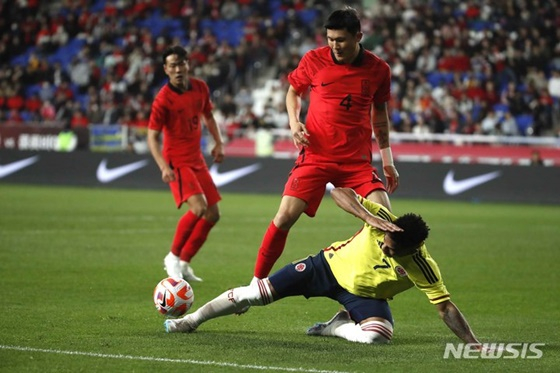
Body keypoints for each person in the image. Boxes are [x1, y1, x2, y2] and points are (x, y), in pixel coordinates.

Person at [165, 187, 482, 347]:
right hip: (325, 268)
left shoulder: (422, 267)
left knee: (378, 337)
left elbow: (445, 308)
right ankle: (190, 320)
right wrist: (368, 216)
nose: (385, 245)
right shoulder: (382, 223)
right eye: (385, 240)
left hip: (364, 297)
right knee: (257, 294)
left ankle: (335, 327)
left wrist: (473, 344)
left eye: (392, 249)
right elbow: (338, 191)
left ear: (412, 250)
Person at [252, 7, 400, 282]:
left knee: (386, 221)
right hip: (316, 156)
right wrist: (295, 123)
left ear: (358, 37)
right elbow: (293, 93)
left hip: (356, 162)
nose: (334, 45)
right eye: (330, 39)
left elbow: (380, 114)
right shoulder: (313, 60)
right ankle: (255, 283)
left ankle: (365, 287)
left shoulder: (379, 70)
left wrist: (387, 160)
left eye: (341, 40)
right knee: (284, 217)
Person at [148, 45, 225, 282]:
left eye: (181, 64)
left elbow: (208, 116)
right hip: (177, 161)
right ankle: (172, 257)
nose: (178, 69)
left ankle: (184, 262)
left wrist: (218, 142)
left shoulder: (200, 87)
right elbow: (151, 136)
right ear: (166, 69)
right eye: (172, 65)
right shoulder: (163, 100)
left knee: (213, 214)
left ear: (188, 65)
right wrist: (163, 166)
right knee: (199, 207)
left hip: (196, 159)